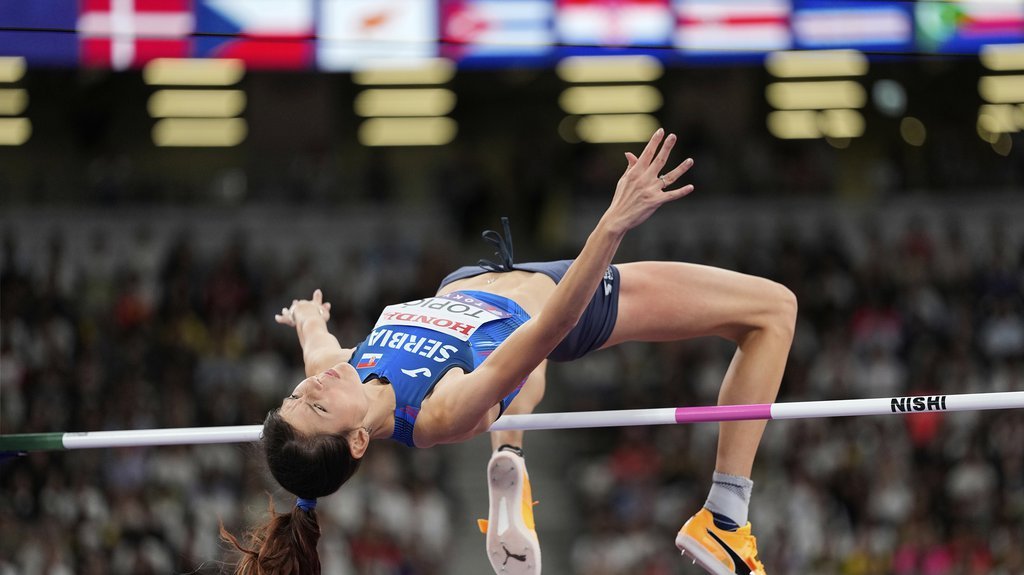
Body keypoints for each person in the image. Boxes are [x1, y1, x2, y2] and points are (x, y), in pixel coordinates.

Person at [221, 128, 796, 575]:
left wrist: (307, 315)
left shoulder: (335, 373)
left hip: (475, 282)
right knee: (773, 310)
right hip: (560, 301)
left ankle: (512, 463)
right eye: (317, 406)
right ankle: (725, 517)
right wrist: (613, 223)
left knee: (513, 373)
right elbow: (551, 327)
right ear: (357, 441)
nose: (314, 387)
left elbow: (316, 346)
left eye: (297, 394)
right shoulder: (438, 411)